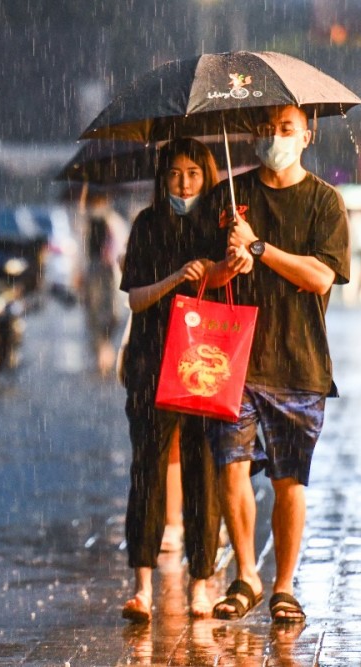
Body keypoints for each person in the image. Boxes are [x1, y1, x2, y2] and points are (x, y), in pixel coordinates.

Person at [200, 105, 350, 624]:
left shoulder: (324, 202)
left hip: (298, 361)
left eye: (287, 128)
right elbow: (204, 277)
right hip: (235, 359)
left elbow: (321, 276)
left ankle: (284, 586)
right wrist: (229, 264)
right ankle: (246, 575)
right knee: (232, 466)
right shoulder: (229, 198)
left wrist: (260, 247)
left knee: (289, 479)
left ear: (307, 136)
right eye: (266, 128)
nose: (275, 137)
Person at [118, 137, 250, 623]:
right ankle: (142, 586)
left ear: (208, 176)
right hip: (151, 365)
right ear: (163, 178)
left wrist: (227, 262)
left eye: (193, 173)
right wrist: (175, 278)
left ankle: (201, 581)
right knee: (147, 473)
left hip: (205, 366)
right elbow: (135, 298)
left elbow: (230, 281)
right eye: (175, 173)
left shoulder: (221, 225)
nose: (184, 183)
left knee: (203, 473)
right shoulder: (146, 225)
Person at [80, 191, 129, 377]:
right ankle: (102, 352)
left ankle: (105, 350)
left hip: (109, 275)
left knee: (111, 315)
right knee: (94, 316)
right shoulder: (87, 223)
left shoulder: (114, 223)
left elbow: (122, 249)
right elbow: (82, 251)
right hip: (93, 274)